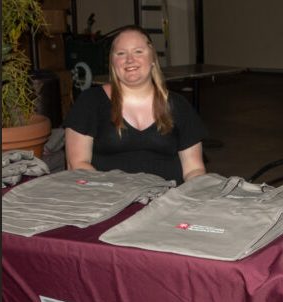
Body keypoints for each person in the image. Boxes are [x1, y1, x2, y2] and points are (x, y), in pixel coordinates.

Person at [64, 25, 207, 185]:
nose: (130, 59)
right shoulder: (90, 102)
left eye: (138, 51)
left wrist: (197, 194)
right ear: (113, 62)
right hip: (109, 200)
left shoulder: (179, 106)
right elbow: (77, 165)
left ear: (153, 59)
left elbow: (194, 169)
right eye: (121, 53)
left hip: (169, 201)